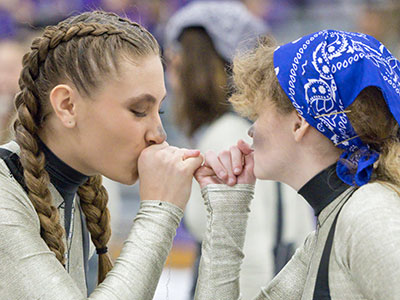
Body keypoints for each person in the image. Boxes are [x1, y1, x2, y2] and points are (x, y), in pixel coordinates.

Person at [0, 10, 204, 299]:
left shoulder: (79, 192)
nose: (159, 135)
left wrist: (228, 205)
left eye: (159, 111)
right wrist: (161, 210)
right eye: (138, 111)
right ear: (68, 105)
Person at [193, 30, 400, 299]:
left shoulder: (369, 214)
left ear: (299, 123)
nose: (251, 130)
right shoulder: (335, 219)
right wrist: (228, 207)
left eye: (259, 113)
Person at [164, 2, 314, 298]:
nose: (171, 71)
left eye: (179, 57)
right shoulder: (258, 134)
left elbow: (248, 261)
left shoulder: (228, 140)